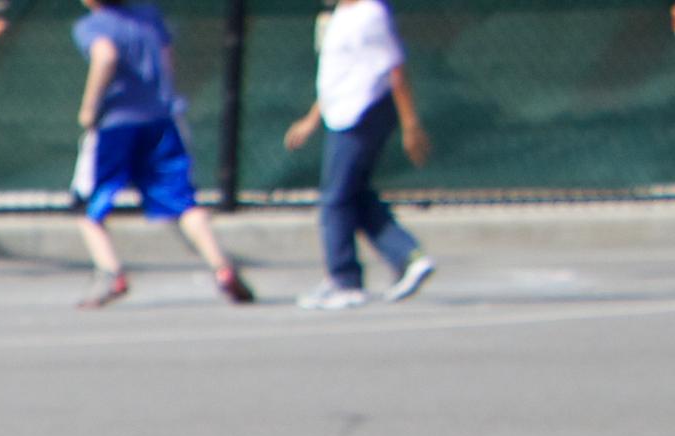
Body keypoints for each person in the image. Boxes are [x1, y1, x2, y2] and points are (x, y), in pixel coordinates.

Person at [66, 0, 252, 309]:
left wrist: (89, 108)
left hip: (115, 126)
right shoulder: (148, 16)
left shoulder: (94, 25)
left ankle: (111, 273)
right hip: (161, 121)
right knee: (184, 201)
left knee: (88, 206)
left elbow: (106, 56)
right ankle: (223, 268)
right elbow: (167, 60)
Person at [286, 0, 435, 311]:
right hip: (341, 115)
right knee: (355, 195)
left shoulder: (370, 14)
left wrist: (410, 124)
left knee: (335, 199)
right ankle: (408, 257)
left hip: (363, 115)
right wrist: (311, 120)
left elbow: (395, 69)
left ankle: (345, 282)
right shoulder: (339, 16)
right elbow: (336, 78)